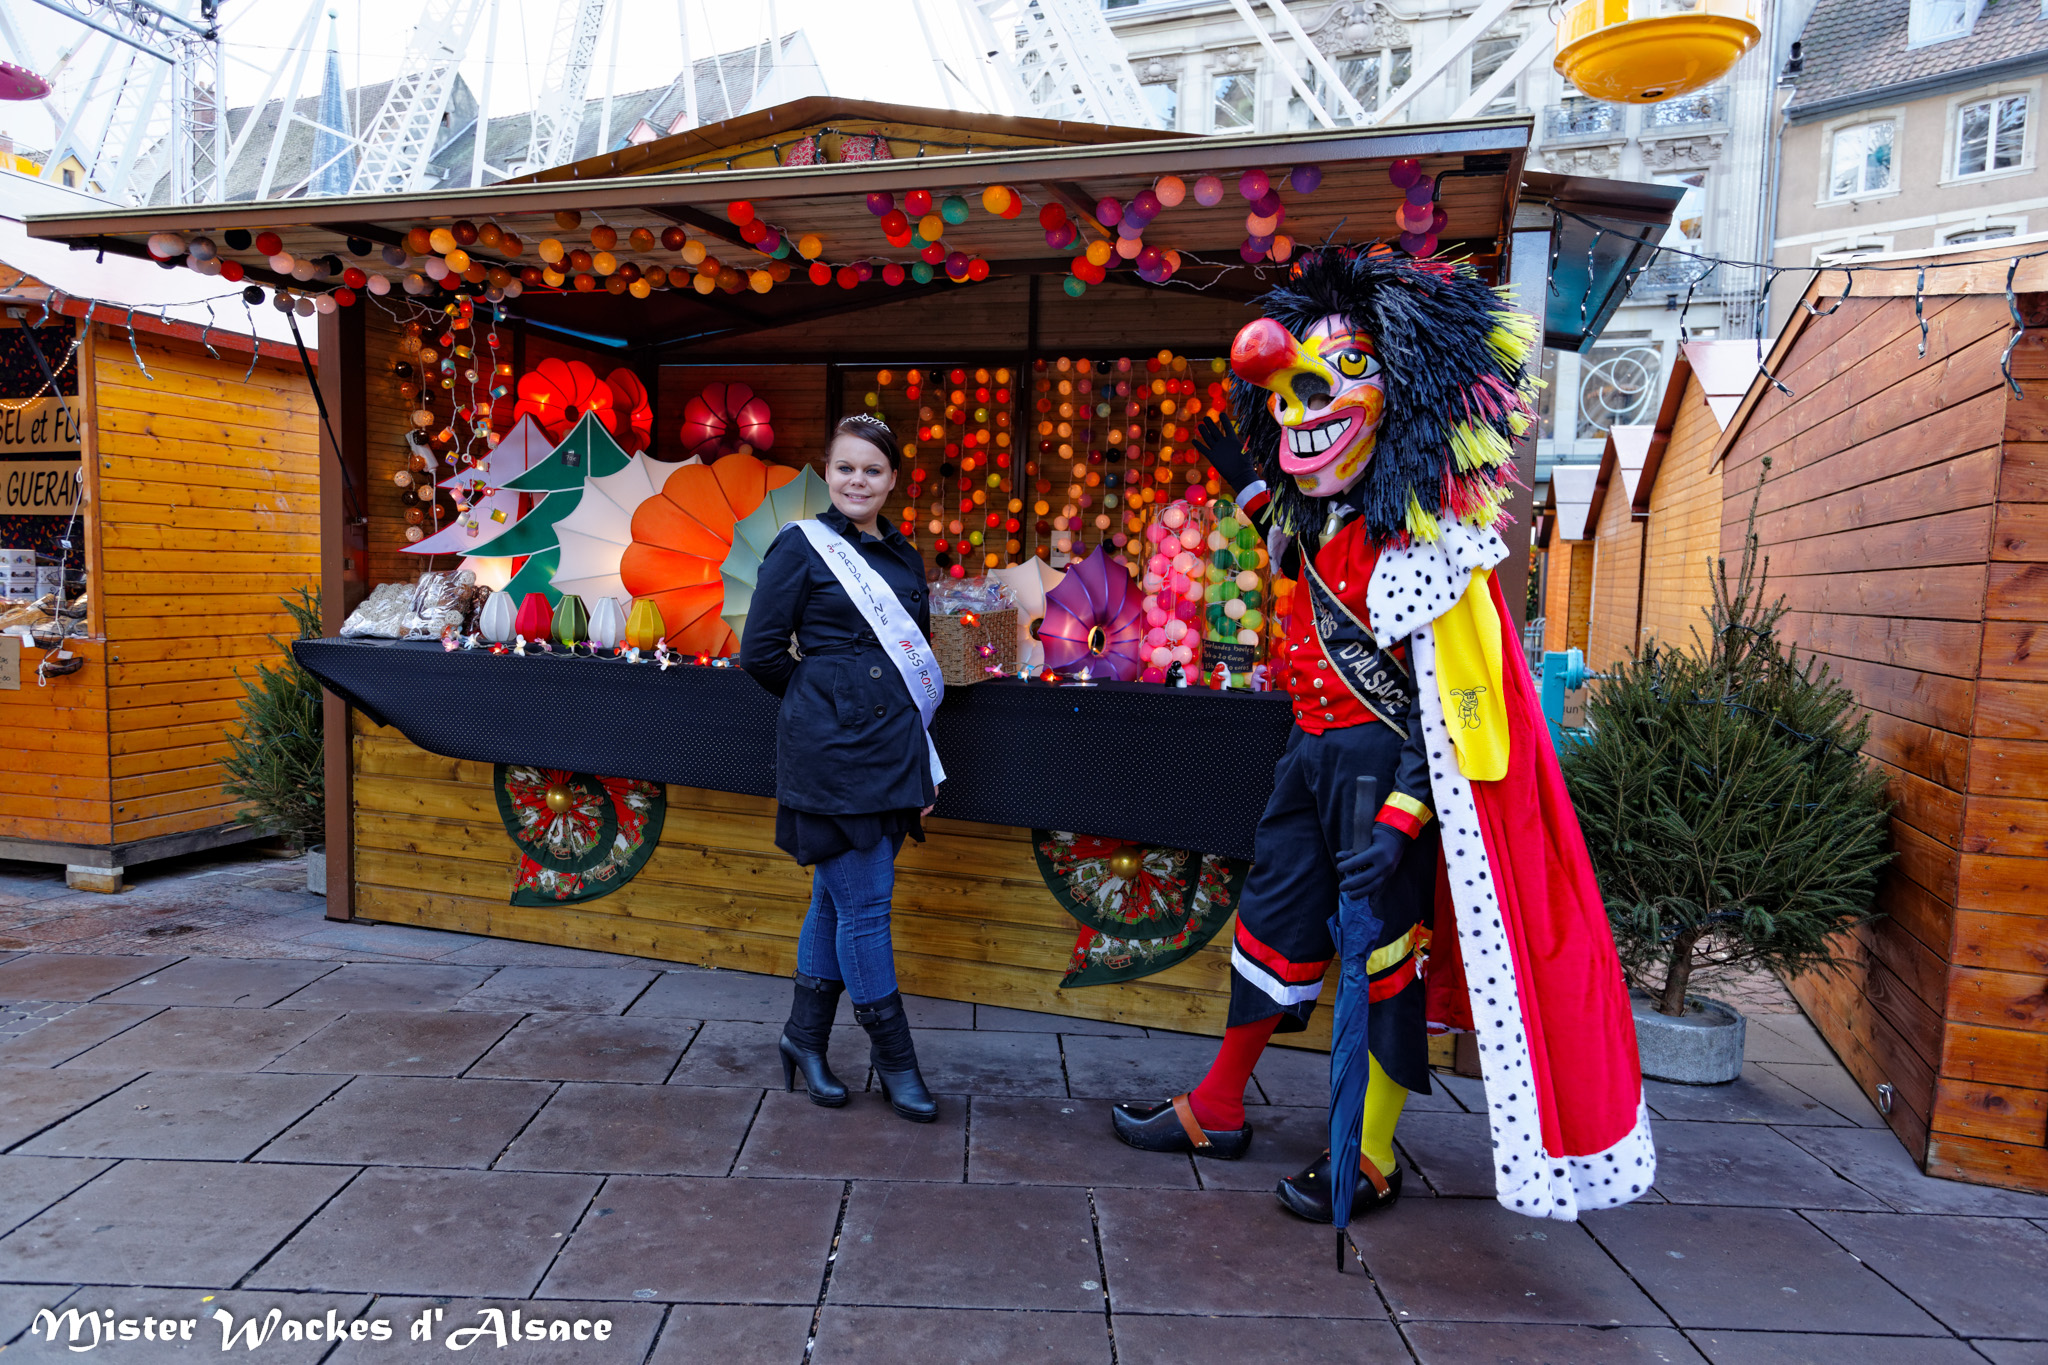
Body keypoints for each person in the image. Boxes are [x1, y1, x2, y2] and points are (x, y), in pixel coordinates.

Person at [1110, 245, 1654, 1225]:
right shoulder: (1321, 523)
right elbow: (1299, 561)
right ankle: (1217, 1106)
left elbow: (1459, 707)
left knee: (1384, 962)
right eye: (1287, 388)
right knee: (1270, 927)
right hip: (1306, 761)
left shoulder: (1435, 543)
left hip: (1386, 776)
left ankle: (1368, 1154)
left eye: (1343, 369)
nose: (1300, 400)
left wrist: (1405, 815)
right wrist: (1248, 489)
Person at [739, 414, 944, 1123]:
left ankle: (803, 1040)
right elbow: (761, 653)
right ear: (828, 472)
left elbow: (911, 664)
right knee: (867, 906)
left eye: (872, 469)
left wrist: (917, 767)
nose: (858, 481)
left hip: (891, 750)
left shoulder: (905, 557)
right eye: (845, 467)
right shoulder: (801, 545)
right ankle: (897, 1063)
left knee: (835, 901)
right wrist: (824, 699)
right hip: (830, 752)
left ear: (893, 480)